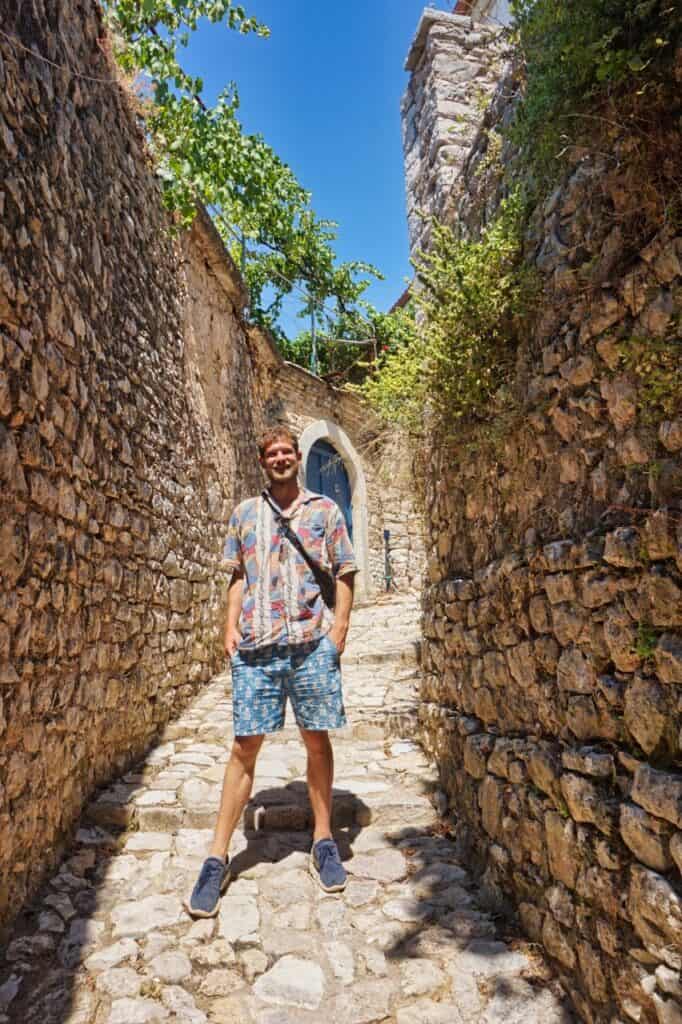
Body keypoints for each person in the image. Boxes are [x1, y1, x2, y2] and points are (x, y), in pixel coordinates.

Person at [185, 425, 357, 918]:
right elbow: (238, 575)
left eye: (286, 451)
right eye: (272, 453)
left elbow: (345, 571)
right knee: (244, 747)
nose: (280, 459)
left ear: (297, 457)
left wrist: (339, 629)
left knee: (317, 739)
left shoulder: (324, 510)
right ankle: (216, 858)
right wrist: (228, 627)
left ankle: (323, 841)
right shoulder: (245, 514)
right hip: (257, 648)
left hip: (309, 645)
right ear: (263, 461)